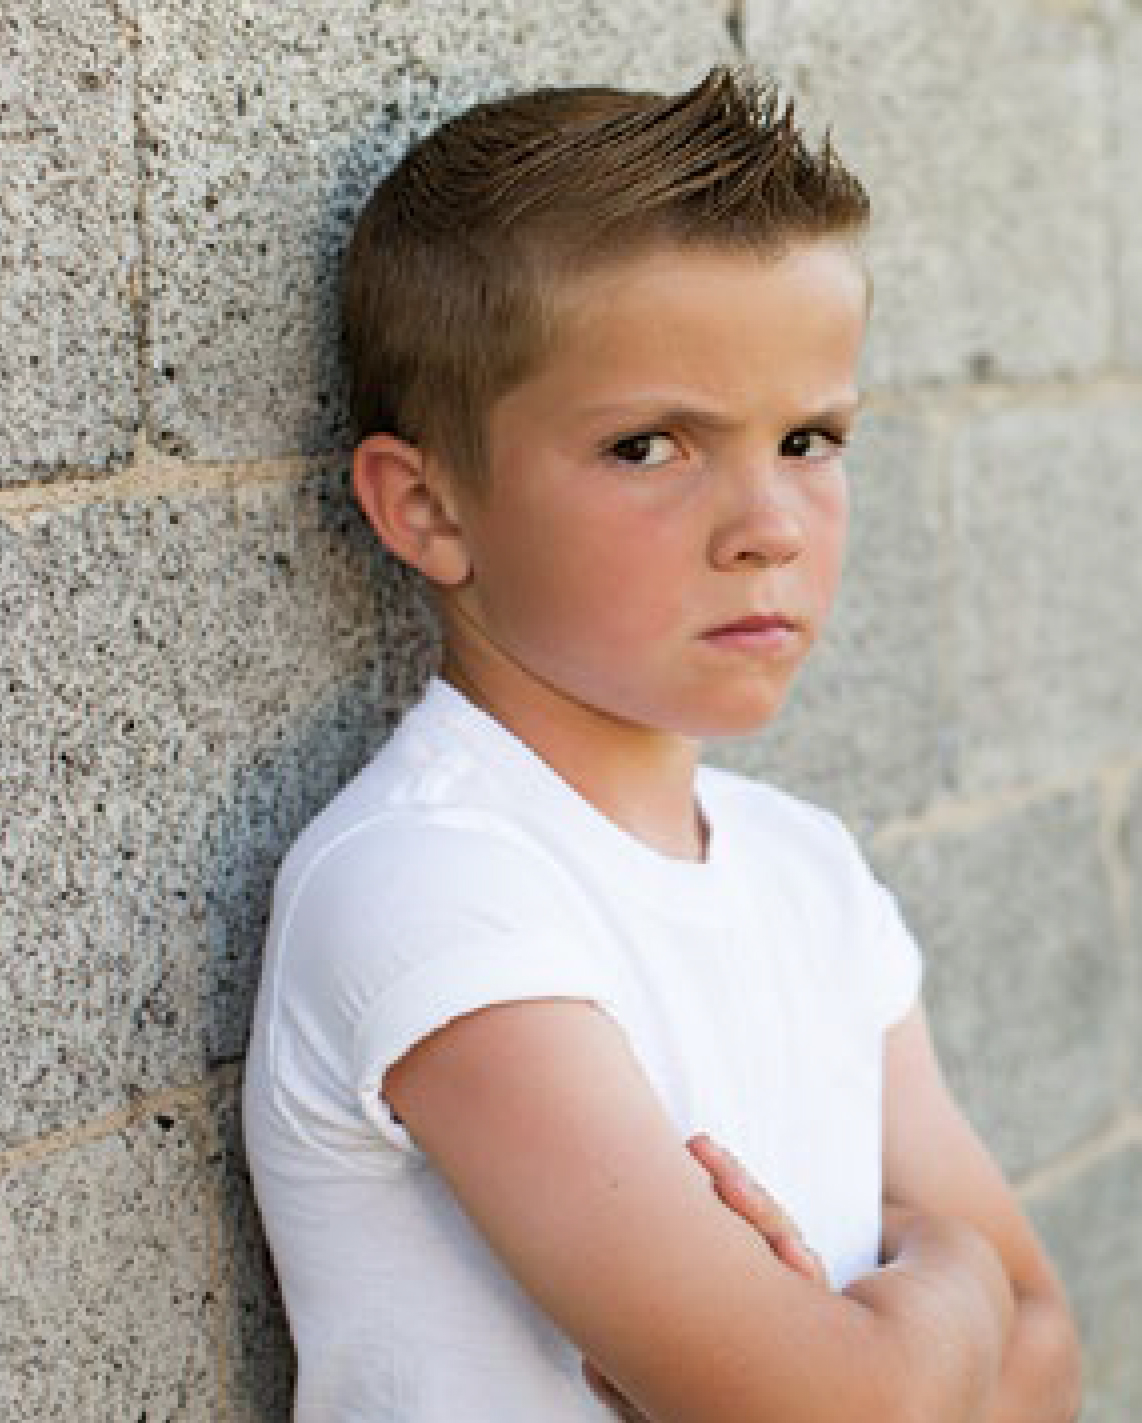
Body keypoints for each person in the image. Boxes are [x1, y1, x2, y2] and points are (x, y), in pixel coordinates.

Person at [243, 65, 1082, 1423]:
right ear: (429, 507)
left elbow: (1049, 1363)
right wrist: (956, 1280)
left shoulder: (807, 869)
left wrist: (909, 1337)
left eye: (809, 436)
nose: (770, 524)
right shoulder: (432, 891)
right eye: (649, 446)